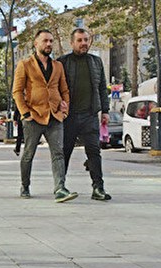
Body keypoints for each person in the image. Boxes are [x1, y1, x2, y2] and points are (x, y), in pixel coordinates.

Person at [12, 30, 77, 203]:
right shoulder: (24, 64)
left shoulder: (57, 66)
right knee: (28, 154)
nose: (49, 44)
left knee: (58, 153)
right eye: (45, 41)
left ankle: (60, 189)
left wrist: (65, 109)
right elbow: (17, 91)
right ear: (36, 44)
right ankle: (25, 185)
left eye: (51, 41)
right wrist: (25, 113)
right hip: (33, 116)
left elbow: (64, 90)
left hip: (55, 116)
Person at [58, 28, 112, 201]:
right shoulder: (62, 62)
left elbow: (102, 87)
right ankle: (60, 187)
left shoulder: (96, 62)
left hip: (90, 115)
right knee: (64, 152)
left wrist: (105, 110)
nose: (83, 43)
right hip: (69, 117)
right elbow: (54, 88)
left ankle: (98, 188)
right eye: (80, 40)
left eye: (86, 40)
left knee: (94, 152)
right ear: (72, 42)